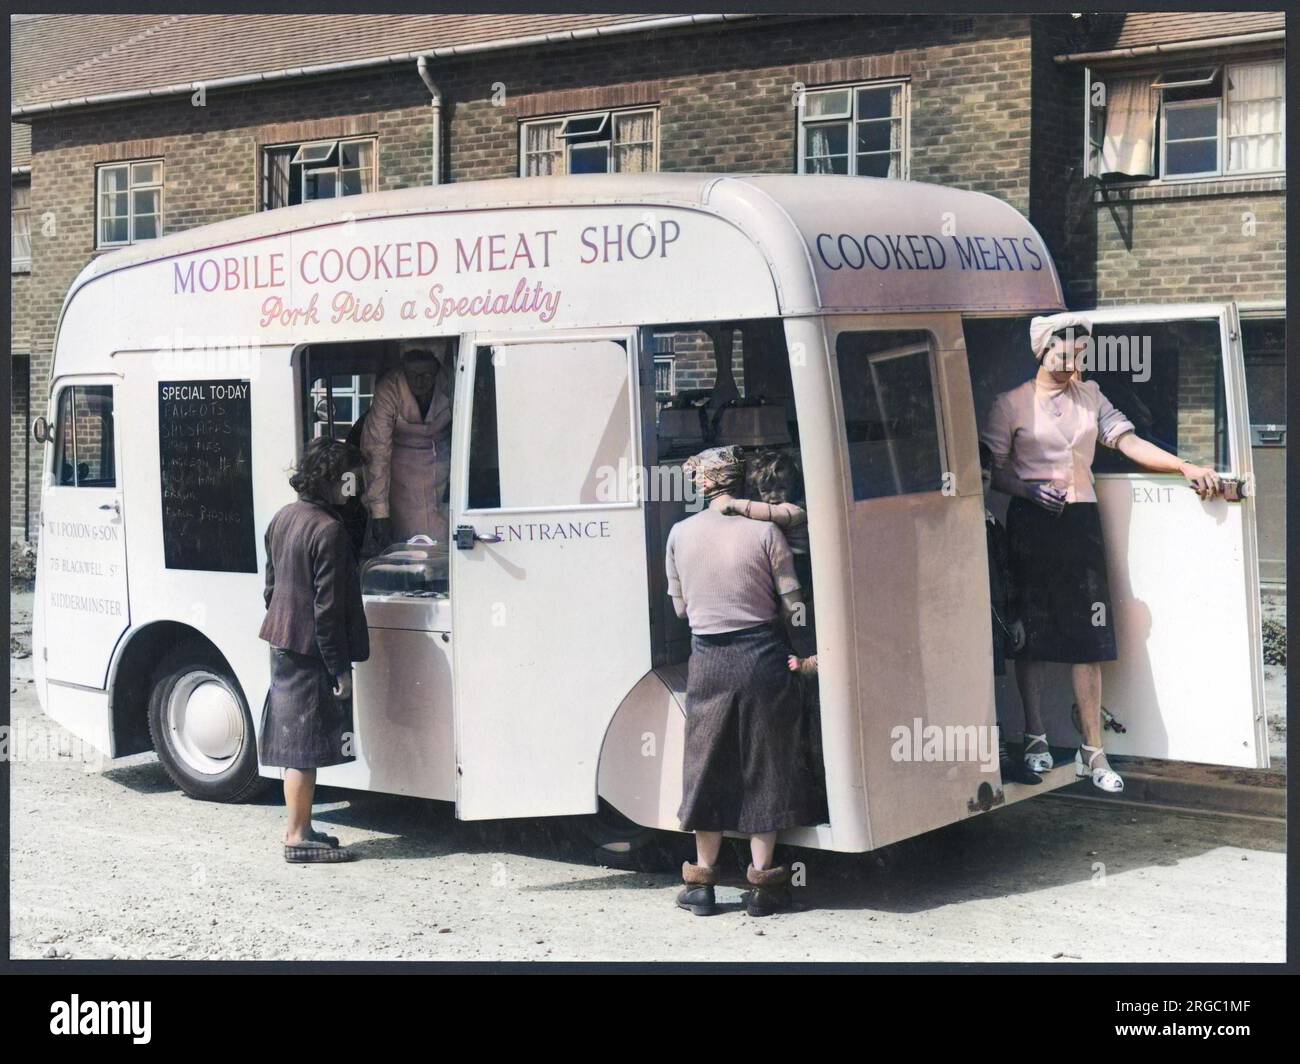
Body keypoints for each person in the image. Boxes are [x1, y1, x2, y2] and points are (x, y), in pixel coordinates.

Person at [982, 313, 1221, 793]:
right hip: (1032, 525)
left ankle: (1094, 751)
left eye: (1081, 354)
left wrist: (1183, 465)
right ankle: (1035, 738)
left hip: (1081, 525)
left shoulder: (1091, 396)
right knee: (1032, 632)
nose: (1074, 362)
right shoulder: (1009, 405)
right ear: (1043, 351)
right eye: (1065, 353)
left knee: (1089, 638)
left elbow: (1128, 441)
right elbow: (992, 474)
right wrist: (1027, 492)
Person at [667, 446, 824, 917]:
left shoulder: (679, 533)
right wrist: (808, 653)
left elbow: (679, 609)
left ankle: (702, 884)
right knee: (767, 763)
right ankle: (764, 887)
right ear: (741, 482)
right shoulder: (766, 533)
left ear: (701, 484)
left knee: (707, 763)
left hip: (708, 658)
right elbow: (792, 605)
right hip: (763, 657)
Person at [259, 438, 370, 863]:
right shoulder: (329, 530)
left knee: (295, 743)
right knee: (304, 746)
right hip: (310, 647)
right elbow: (327, 611)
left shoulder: (283, 518)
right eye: (348, 478)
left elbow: (270, 588)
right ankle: (296, 838)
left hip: (284, 639)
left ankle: (301, 828)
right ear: (332, 479)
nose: (354, 486)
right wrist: (339, 669)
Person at [979, 442, 1038, 786]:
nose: (980, 485)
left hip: (992, 620)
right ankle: (986, 760)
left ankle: (999, 759)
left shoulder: (991, 525)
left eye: (985, 478)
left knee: (990, 691)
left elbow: (1006, 575)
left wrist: (1014, 617)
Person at [361, 344, 454, 553]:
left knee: (443, 542)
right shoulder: (389, 388)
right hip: (398, 473)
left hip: (442, 464)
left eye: (427, 374)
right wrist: (380, 513)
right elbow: (377, 451)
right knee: (406, 546)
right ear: (403, 369)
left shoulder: (451, 380)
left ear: (438, 370)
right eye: (414, 374)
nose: (421, 381)